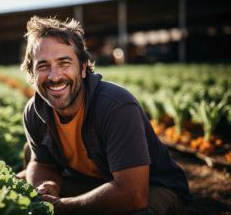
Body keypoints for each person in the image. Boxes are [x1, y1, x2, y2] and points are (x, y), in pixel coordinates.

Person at [18, 16, 191, 215]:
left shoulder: (116, 107)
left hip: (152, 187)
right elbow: (41, 162)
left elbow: (133, 194)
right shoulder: (35, 110)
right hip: (91, 182)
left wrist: (65, 206)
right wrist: (47, 183)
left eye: (64, 63)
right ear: (31, 74)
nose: (54, 76)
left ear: (83, 68)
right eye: (43, 66)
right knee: (19, 186)